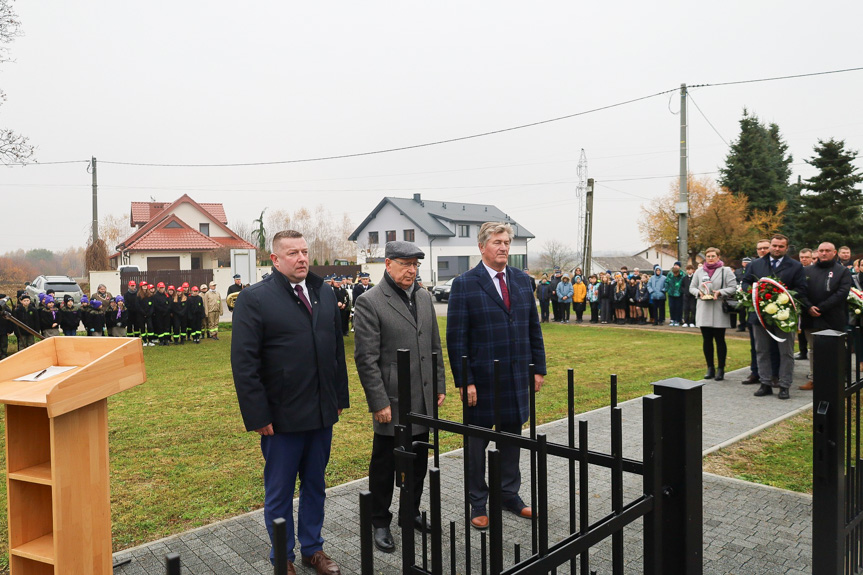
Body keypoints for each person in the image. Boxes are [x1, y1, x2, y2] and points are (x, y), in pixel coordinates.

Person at [232, 230, 349, 574]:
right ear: (276, 259)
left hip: (320, 412)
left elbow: (335, 351)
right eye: (292, 253)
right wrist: (258, 414)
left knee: (315, 484)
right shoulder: (255, 299)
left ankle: (314, 548)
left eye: (304, 251)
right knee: (280, 492)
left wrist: (338, 397)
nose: (301, 258)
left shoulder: (323, 292)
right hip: (281, 419)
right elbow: (244, 363)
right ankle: (282, 557)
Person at [446, 222, 546, 530]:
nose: (503, 247)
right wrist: (465, 380)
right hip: (482, 381)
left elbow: (533, 328)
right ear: (482, 247)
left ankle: (508, 494)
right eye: (497, 242)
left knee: (511, 440)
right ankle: (478, 501)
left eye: (506, 242)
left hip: (516, 377)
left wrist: (538, 368)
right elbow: (456, 337)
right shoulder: (465, 283)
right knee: (476, 444)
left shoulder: (520, 280)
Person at [353, 241, 446, 553]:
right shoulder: (371, 301)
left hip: (421, 396)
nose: (411, 270)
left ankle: (410, 513)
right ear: (388, 264)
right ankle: (379, 520)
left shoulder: (422, 296)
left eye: (415, 264)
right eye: (405, 263)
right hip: (392, 401)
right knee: (385, 463)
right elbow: (366, 359)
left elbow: (434, 346)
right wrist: (378, 402)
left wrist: (439, 385)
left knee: (418, 458)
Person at [742, 234, 808, 400]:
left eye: (781, 246)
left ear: (786, 248)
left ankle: (784, 385)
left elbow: (801, 288)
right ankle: (765, 383)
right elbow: (746, 282)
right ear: (770, 245)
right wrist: (754, 294)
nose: (777, 249)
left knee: (786, 352)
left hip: (784, 316)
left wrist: (781, 297)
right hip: (760, 315)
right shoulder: (755, 264)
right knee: (761, 350)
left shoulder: (795, 266)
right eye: (774, 245)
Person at [799, 242, 851, 390]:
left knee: (835, 349)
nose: (824, 253)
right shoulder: (807, 270)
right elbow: (800, 291)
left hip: (833, 316)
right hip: (811, 317)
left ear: (834, 253)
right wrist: (808, 306)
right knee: (813, 349)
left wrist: (821, 307)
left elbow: (842, 293)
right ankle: (814, 379)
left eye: (827, 250)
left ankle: (836, 379)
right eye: (821, 250)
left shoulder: (842, 271)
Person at [690, 248, 737, 381]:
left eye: (713, 256)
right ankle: (710, 367)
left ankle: (721, 368)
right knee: (707, 340)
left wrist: (720, 292)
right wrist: (698, 293)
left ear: (718, 257)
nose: (710, 258)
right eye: (708, 256)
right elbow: (692, 287)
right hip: (704, 307)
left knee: (720, 339)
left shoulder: (725, 271)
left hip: (718, 308)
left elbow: (733, 287)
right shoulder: (699, 271)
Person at [741, 240, 781, 386]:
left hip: (776, 311)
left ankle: (774, 374)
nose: (763, 250)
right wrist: (752, 291)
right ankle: (755, 372)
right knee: (756, 345)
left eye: (765, 248)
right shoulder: (753, 265)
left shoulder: (777, 264)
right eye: (760, 248)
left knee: (774, 345)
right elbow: (745, 282)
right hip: (756, 311)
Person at [795, 249, 814, 360]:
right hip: (799, 303)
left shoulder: (814, 270)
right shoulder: (797, 269)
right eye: (802, 257)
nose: (804, 259)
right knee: (800, 329)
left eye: (806, 257)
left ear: (811, 258)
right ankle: (802, 351)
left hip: (810, 303)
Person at [733, 258, 752, 331]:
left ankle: (750, 325)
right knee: (741, 310)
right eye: (744, 262)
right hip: (740, 292)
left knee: (750, 310)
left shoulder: (752, 270)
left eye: (747, 262)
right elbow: (734, 280)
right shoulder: (737, 271)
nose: (746, 264)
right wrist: (738, 286)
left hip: (750, 293)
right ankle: (742, 325)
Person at [666, 262, 685, 326]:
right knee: (672, 307)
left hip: (679, 294)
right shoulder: (670, 274)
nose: (675, 274)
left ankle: (678, 320)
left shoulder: (683, 275)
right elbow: (667, 282)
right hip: (671, 293)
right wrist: (667, 289)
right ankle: (672, 319)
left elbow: (684, 284)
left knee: (678, 307)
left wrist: (682, 291)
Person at [0, 294, 13, 358]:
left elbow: (10, 321)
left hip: (4, 330)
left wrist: (9, 330)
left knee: (4, 343)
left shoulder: (7, 309)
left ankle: (4, 354)